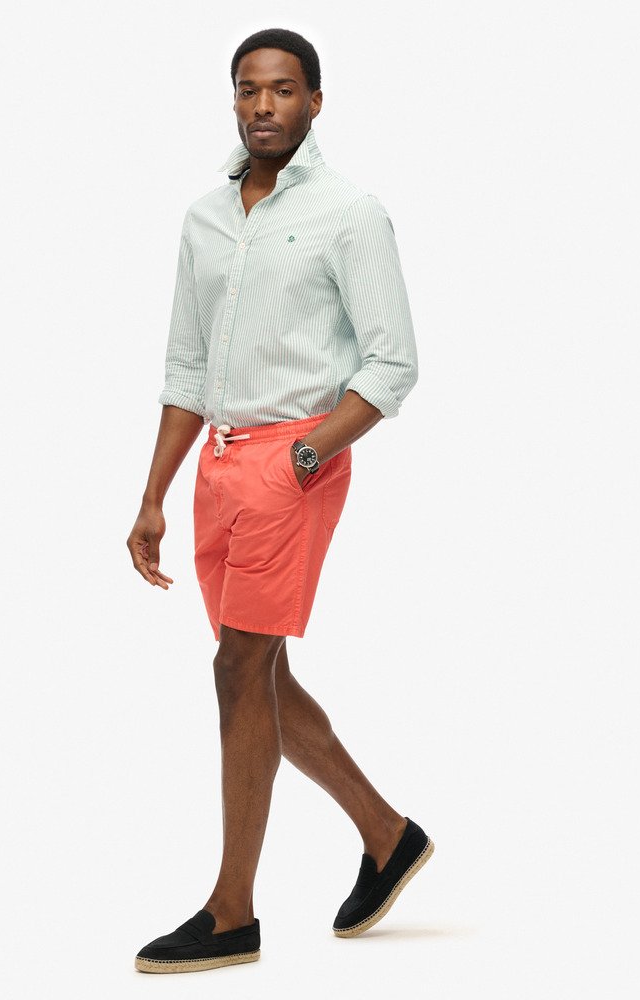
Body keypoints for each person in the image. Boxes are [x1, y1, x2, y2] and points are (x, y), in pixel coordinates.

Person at [126, 27, 433, 974]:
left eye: (285, 90)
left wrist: (303, 455)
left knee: (237, 669)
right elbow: (186, 368)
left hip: (293, 463)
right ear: (233, 100)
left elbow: (392, 363)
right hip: (218, 466)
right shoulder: (204, 220)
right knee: (261, 674)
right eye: (249, 89)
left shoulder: (349, 213)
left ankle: (233, 912)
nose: (265, 105)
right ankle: (388, 836)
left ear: (315, 101)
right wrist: (153, 496)